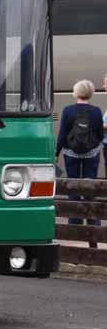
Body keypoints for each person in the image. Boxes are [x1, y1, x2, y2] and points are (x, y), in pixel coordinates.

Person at [56, 79, 103, 226]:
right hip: (92, 154)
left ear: (76, 92)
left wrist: (56, 153)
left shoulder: (68, 111)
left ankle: (74, 222)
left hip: (71, 155)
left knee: (73, 187)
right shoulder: (96, 111)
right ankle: (93, 223)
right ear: (90, 93)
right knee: (91, 188)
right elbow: (100, 134)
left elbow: (62, 135)